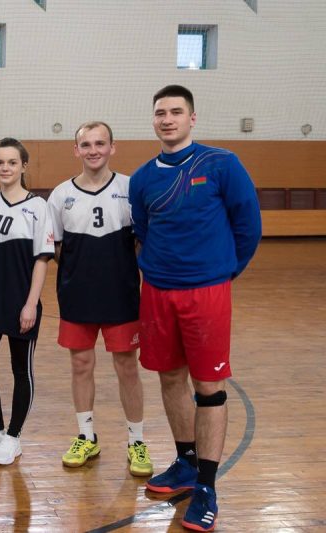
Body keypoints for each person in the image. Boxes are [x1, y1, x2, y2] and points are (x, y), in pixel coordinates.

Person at [129, 85, 261, 532]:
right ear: (153, 120)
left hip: (207, 293)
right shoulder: (142, 178)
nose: (167, 119)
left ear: (192, 118)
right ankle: (185, 462)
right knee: (169, 378)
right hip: (157, 292)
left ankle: (206, 486)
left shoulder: (222, 164)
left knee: (209, 386)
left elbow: (249, 226)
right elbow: (143, 230)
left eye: (175, 112)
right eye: (160, 113)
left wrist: (223, 271)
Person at [46, 121, 152, 476]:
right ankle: (86, 435)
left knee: (127, 367)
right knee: (80, 365)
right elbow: (57, 247)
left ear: (112, 147)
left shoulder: (129, 188)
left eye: (100, 143)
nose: (93, 150)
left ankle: (136, 441)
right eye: (86, 144)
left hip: (121, 295)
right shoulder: (60, 195)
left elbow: (141, 241)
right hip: (76, 295)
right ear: (76, 150)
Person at [0, 138, 53, 465]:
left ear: (23, 166)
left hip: (21, 303)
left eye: (12, 162)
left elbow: (42, 260)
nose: (5, 168)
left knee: (21, 371)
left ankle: (14, 437)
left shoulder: (38, 207)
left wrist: (31, 304)